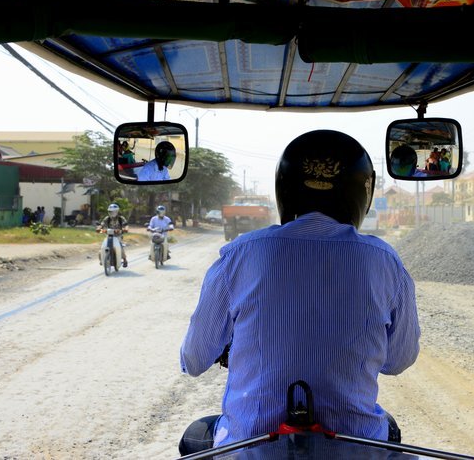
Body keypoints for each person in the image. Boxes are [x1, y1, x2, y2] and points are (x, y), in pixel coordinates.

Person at [178, 130, 420, 454]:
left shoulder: (240, 255)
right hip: (355, 447)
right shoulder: (386, 262)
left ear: (283, 189)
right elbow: (399, 361)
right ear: (362, 193)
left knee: (196, 436)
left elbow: (193, 360)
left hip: (251, 448)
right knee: (387, 429)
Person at [97, 203, 129, 267]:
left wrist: (125, 229)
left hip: (118, 236)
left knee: (119, 247)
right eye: (111, 212)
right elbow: (102, 224)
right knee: (102, 247)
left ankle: (125, 260)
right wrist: (99, 228)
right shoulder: (107, 218)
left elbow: (126, 225)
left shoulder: (121, 218)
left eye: (114, 211)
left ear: (117, 211)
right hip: (108, 235)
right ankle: (102, 259)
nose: (112, 213)